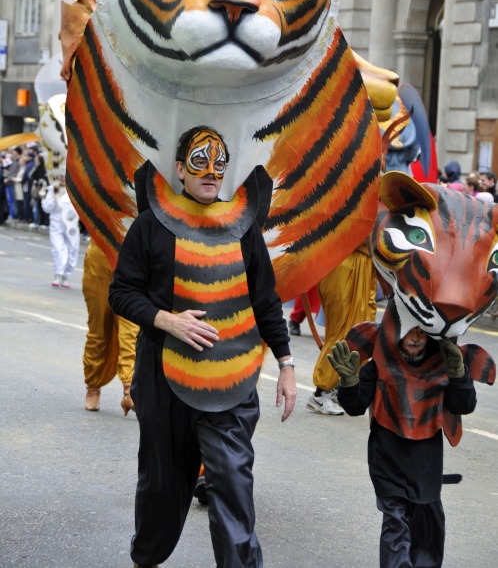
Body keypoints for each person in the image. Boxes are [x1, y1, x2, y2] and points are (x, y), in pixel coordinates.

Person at [109, 125, 296, 568]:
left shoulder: (243, 226)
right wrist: (165, 319)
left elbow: (265, 299)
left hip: (230, 382)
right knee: (162, 485)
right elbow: (121, 292)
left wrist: (286, 364)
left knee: (231, 482)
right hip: (163, 379)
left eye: (219, 163)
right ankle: (146, 558)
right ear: (179, 169)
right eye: (199, 161)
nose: (211, 172)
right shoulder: (151, 224)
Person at [328, 326, 477, 568]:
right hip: (387, 462)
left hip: (425, 466)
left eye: (421, 332)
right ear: (394, 331)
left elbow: (464, 404)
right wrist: (348, 381)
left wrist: (459, 375)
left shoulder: (443, 364)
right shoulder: (378, 364)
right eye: (408, 331)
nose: (415, 338)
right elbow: (355, 406)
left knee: (428, 531)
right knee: (395, 523)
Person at [306, 241, 377, 416]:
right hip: (343, 261)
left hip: (366, 264)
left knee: (362, 331)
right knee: (341, 332)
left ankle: (342, 387)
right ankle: (321, 393)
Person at [82, 238, 139, 413]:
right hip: (99, 261)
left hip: (133, 263)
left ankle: (129, 390)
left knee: (132, 331)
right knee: (98, 330)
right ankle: (93, 386)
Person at [41, 175, 81, 287]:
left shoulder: (75, 189)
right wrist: (53, 199)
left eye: (65, 176)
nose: (63, 179)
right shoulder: (52, 189)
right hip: (56, 224)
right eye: (61, 177)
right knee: (58, 249)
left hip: (72, 225)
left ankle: (66, 276)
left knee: (73, 249)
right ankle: (58, 275)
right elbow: (46, 208)